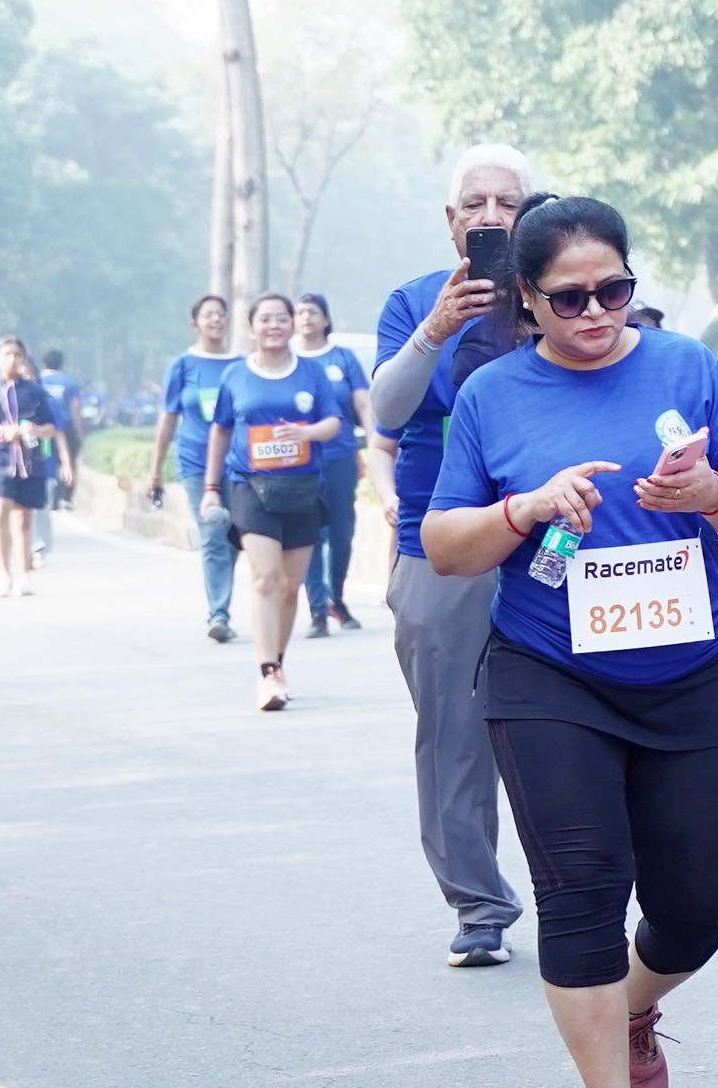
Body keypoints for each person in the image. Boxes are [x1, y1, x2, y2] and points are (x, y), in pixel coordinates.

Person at [422, 196, 718, 1088]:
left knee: (699, 904)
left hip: (685, 670)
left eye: (613, 291)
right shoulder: (493, 394)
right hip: (549, 673)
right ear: (528, 301)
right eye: (569, 298)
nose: (594, 312)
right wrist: (524, 509)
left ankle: (633, 1006)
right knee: (580, 890)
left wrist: (709, 495)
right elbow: (444, 545)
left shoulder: (686, 368)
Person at [369, 146, 539, 968]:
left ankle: (587, 891)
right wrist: (436, 330)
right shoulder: (412, 303)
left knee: (567, 728)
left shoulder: (555, 294)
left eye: (509, 203)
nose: (491, 216)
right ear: (451, 219)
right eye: (475, 203)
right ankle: (478, 905)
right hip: (441, 547)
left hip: (555, 538)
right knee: (454, 736)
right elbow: (387, 408)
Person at [203, 294, 346, 710]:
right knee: (265, 578)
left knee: (289, 587)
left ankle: (278, 664)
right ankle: (266, 672)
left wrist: (306, 434)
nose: (274, 326)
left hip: (302, 489)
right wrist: (211, 487)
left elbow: (334, 422)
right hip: (250, 488)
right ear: (251, 328)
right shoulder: (235, 375)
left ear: (292, 325)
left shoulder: (311, 372)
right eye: (265, 319)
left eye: (282, 319)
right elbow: (221, 430)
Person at [147, 295, 243, 641]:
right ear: (195, 324)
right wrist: (155, 470)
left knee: (235, 535)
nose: (215, 319)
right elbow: (168, 419)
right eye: (208, 315)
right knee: (213, 533)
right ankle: (219, 614)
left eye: (221, 314)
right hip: (196, 464)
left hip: (238, 464)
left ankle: (221, 604)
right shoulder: (183, 366)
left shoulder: (241, 366)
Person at [293, 293, 373, 638]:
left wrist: (374, 445)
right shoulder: (289, 361)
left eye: (313, 311)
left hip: (340, 456)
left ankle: (336, 597)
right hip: (299, 463)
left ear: (326, 319)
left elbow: (363, 404)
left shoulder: (343, 358)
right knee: (310, 533)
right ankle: (317, 608)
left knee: (341, 533)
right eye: (299, 312)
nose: (306, 317)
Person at [0, 337, 61, 598]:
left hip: (29, 461)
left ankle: (23, 574)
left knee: (23, 518)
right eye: (6, 354)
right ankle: (3, 573)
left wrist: (35, 430)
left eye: (17, 354)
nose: (12, 360)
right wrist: (0, 432)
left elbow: (52, 426)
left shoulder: (34, 391)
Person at [31, 349, 85, 558]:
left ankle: (52, 499)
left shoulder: (39, 381)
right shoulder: (69, 382)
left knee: (49, 462)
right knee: (64, 463)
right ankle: (64, 497)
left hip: (46, 428)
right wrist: (79, 431)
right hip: (63, 426)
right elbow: (75, 408)